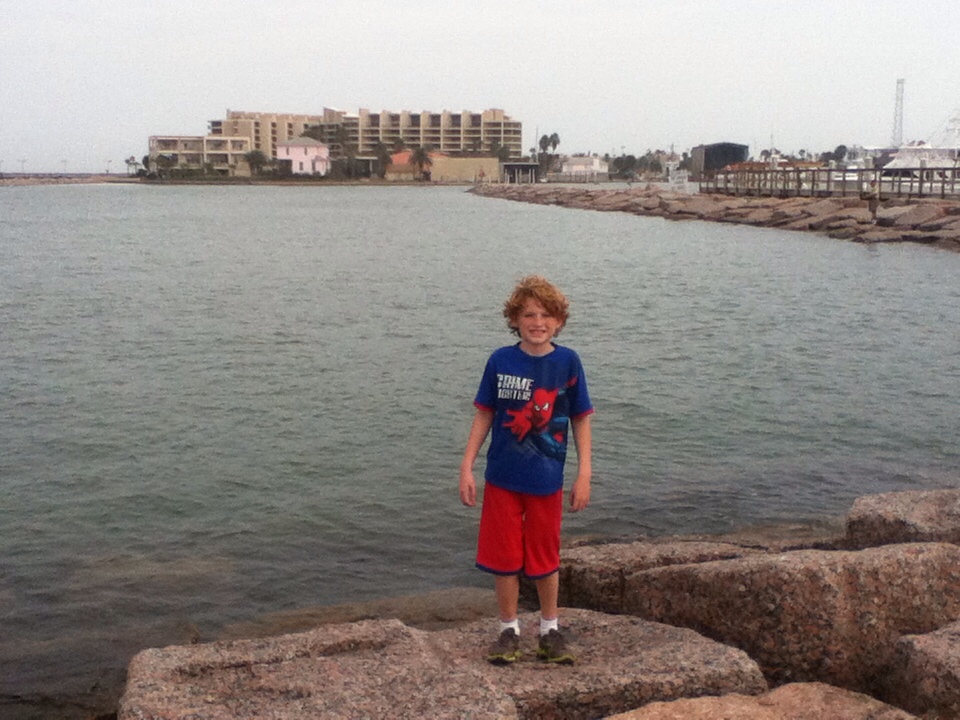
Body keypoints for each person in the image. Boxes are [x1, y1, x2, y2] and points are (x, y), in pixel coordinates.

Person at [459, 275, 594, 665]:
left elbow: (581, 418)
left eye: (546, 315)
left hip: (546, 480)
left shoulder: (568, 362)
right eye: (529, 315)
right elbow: (485, 414)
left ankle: (550, 629)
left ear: (559, 321)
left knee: (545, 556)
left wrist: (584, 473)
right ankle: (508, 631)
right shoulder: (500, 361)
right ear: (515, 320)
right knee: (503, 558)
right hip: (502, 477)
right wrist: (467, 466)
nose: (538, 322)